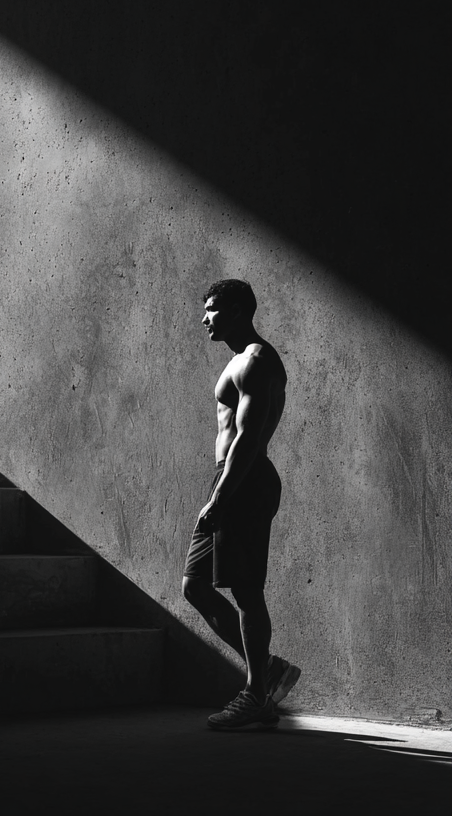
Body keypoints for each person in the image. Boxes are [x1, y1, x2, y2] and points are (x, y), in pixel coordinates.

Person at [182, 278, 301, 730]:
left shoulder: (257, 360)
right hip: (228, 481)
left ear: (236, 310)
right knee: (194, 585)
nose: (205, 317)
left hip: (244, 482)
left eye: (212, 308)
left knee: (247, 590)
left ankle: (256, 694)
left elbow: (249, 440)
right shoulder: (236, 361)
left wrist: (220, 495)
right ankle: (266, 672)